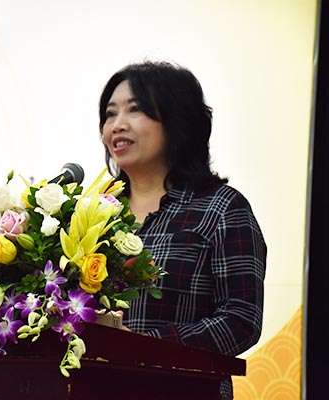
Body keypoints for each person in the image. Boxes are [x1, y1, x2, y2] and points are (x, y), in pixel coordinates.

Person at [98, 61, 266, 400]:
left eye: (135, 110)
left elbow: (240, 320)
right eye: (110, 114)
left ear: (177, 121)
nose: (117, 125)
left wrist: (142, 348)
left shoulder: (221, 208)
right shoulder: (94, 213)